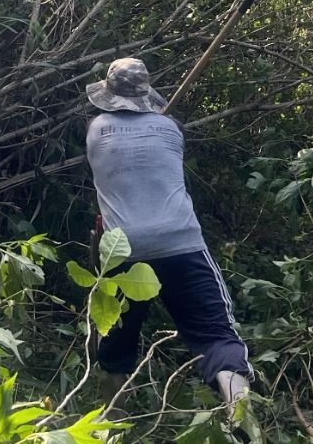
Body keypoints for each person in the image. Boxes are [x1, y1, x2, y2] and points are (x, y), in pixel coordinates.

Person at [84, 57, 253, 408]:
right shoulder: (171, 127)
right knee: (218, 336)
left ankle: (111, 422)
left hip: (122, 249)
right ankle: (242, 422)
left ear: (110, 92)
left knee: (115, 340)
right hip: (181, 242)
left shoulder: (96, 130)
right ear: (146, 92)